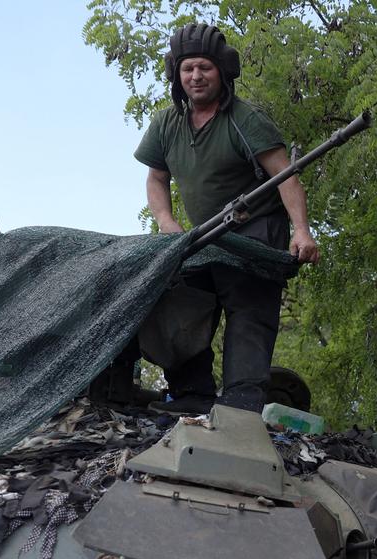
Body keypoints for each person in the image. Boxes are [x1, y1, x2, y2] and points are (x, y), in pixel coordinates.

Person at [134, 22, 318, 415]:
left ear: (222, 71)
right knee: (181, 299)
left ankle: (240, 401)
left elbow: (286, 177)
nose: (196, 77)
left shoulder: (244, 118)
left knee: (248, 306)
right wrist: (166, 222)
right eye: (187, 69)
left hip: (255, 228)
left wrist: (301, 231)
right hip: (205, 234)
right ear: (176, 75)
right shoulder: (167, 124)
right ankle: (192, 393)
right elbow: (156, 177)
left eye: (205, 67)